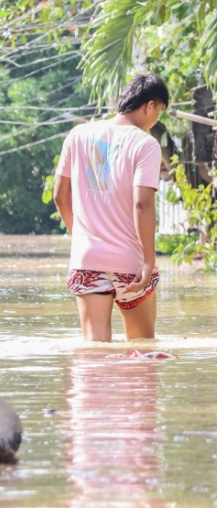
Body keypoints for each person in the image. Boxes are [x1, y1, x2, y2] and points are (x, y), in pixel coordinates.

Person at [52, 73, 167, 342]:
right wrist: (149, 260)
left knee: (94, 352)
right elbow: (141, 204)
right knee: (141, 352)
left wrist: (82, 238)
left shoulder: (78, 135)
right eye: (159, 111)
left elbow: (60, 196)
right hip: (130, 262)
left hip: (88, 259)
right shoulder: (145, 144)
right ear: (150, 105)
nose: (156, 119)